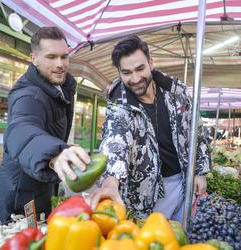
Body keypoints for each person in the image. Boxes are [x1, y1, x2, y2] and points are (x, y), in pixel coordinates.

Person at [88, 36, 211, 222]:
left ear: (151, 62)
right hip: (147, 193)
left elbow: (196, 130)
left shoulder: (175, 93)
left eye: (140, 68)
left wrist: (200, 171)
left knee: (182, 238)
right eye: (127, 72)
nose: (136, 79)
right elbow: (115, 141)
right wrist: (111, 182)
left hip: (184, 182)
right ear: (119, 72)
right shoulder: (120, 108)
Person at [0, 27, 90, 224]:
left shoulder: (59, 87)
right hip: (22, 195)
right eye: (51, 57)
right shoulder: (28, 95)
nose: (60, 64)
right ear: (34, 58)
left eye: (64, 56)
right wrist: (53, 152)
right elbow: (21, 129)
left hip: (41, 182)